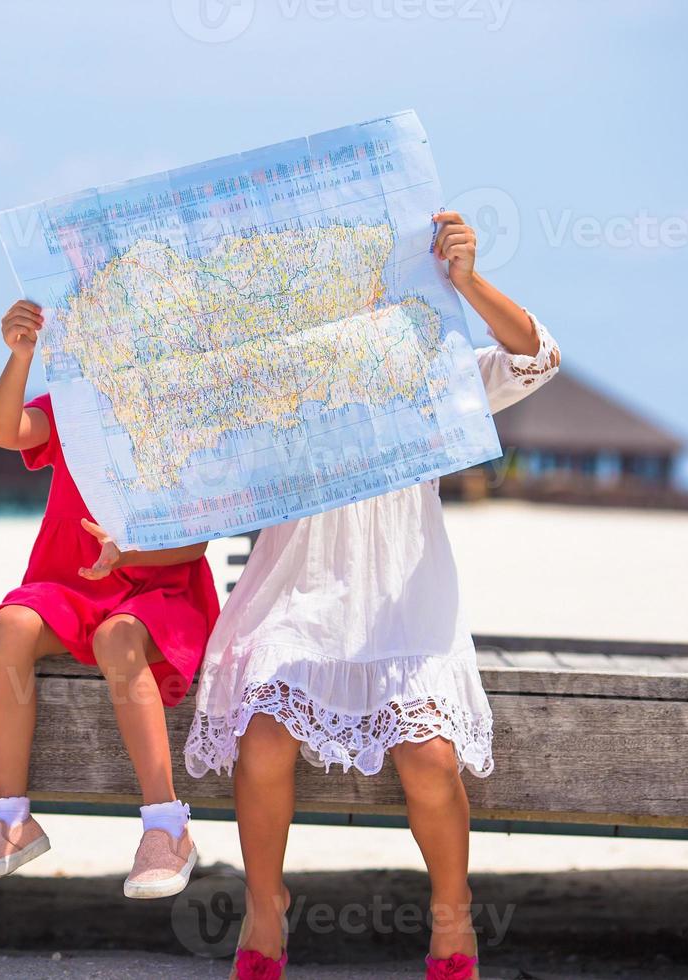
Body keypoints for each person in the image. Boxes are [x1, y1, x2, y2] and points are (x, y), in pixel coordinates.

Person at [183, 213, 562, 980]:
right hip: (300, 593)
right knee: (261, 736)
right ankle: (265, 910)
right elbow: (192, 454)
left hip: (403, 598)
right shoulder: (283, 384)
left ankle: (454, 923)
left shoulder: (434, 378)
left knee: (429, 758)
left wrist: (465, 279)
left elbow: (537, 357)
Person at [0, 299, 221, 899]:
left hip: (159, 593)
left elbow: (192, 548)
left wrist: (124, 557)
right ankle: (12, 816)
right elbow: (4, 430)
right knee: (13, 626)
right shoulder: (75, 412)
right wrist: (21, 356)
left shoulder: (189, 427)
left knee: (116, 637)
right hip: (74, 586)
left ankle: (166, 825)